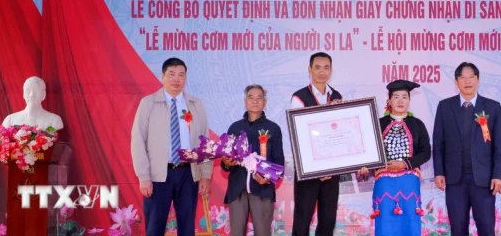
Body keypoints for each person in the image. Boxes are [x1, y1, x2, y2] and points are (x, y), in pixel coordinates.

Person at [131, 58, 213, 236]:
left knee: (187, 228)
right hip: (158, 175)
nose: (176, 79)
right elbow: (138, 141)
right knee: (155, 227)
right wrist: (144, 176)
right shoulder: (149, 103)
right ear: (162, 76)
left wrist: (206, 175)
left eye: (181, 75)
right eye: (172, 74)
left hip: (188, 173)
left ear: (185, 78)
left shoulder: (195, 104)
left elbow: (205, 142)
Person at [432, 62, 501, 236]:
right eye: (463, 77)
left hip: (484, 179)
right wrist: (439, 172)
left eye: (471, 77)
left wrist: (498, 175)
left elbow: (500, 145)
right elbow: (438, 142)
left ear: (478, 80)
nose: (467, 81)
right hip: (455, 179)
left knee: (486, 227)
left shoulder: (492, 107)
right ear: (456, 81)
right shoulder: (445, 106)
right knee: (458, 227)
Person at [357, 79, 431, 236]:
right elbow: (368, 152)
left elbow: (426, 152)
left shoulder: (418, 124)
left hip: (409, 181)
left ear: (409, 100)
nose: (400, 101)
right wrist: (364, 166)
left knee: (410, 220)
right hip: (384, 182)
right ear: (389, 100)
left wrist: (405, 163)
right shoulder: (378, 124)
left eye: (405, 97)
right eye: (396, 97)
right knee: (385, 221)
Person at [290, 52, 343, 236]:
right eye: (317, 67)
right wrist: (316, 168)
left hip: (332, 169)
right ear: (310, 69)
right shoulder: (299, 97)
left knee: (328, 218)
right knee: (303, 218)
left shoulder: (337, 96)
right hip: (308, 169)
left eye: (326, 68)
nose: (322, 72)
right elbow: (299, 135)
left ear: (331, 70)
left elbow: (341, 131)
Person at [222, 84, 285, 236]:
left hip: (262, 189)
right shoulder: (234, 128)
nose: (255, 101)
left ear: (265, 102)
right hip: (237, 189)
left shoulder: (273, 128)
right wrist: (226, 163)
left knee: (262, 233)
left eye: (259, 97)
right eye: (251, 97)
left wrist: (268, 178)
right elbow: (225, 161)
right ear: (245, 102)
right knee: (236, 233)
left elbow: (279, 162)